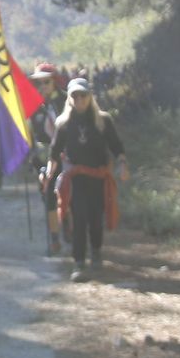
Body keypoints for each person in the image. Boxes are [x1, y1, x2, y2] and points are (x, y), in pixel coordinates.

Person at [49, 77, 130, 282]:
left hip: (98, 177)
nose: (79, 100)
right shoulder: (64, 124)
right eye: (75, 96)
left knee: (95, 218)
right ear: (69, 98)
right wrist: (49, 172)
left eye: (83, 95)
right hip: (75, 179)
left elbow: (116, 146)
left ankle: (96, 252)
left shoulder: (103, 121)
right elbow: (54, 151)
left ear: (90, 96)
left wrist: (122, 164)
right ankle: (78, 262)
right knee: (79, 217)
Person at [28, 65, 66, 256]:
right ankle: (54, 239)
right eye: (38, 82)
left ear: (54, 81)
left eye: (46, 81)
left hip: (67, 158)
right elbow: (30, 133)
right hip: (44, 159)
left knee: (68, 196)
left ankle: (70, 228)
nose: (42, 85)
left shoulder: (67, 101)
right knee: (49, 197)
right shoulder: (33, 105)